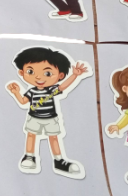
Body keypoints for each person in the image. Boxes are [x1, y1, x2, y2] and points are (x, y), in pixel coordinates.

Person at [7, 47, 89, 176]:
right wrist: (16, 92)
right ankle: (29, 156)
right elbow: (23, 101)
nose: (38, 77)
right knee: (31, 135)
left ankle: (59, 160)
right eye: (30, 71)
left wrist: (75, 75)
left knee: (54, 138)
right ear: (22, 73)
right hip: (34, 117)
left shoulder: (51, 90)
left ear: (60, 75)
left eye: (47, 73)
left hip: (51, 118)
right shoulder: (31, 91)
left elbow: (63, 86)